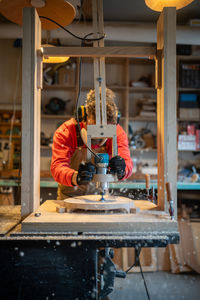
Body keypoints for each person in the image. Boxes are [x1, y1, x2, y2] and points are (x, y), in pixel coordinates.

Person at [51, 88, 133, 200]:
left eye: (104, 132)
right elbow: (57, 167)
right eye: (94, 129)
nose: (99, 139)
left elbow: (127, 163)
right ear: (84, 116)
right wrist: (76, 177)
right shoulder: (67, 131)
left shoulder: (116, 132)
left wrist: (122, 169)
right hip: (69, 198)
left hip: (101, 197)